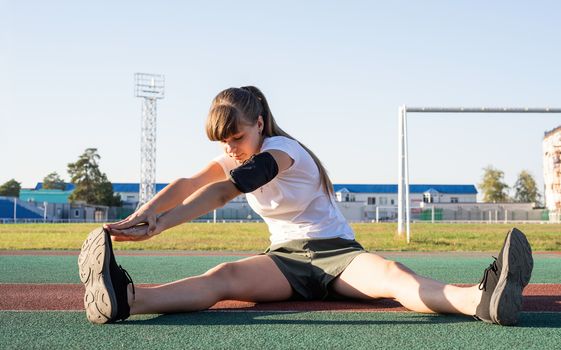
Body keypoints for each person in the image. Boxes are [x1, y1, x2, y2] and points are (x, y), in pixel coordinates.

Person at [78, 86, 533, 326]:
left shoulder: (283, 150)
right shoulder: (237, 152)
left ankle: (480, 299)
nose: (232, 148)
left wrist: (159, 226)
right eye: (224, 142)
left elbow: (224, 191)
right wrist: (146, 216)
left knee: (394, 277)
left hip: (339, 253)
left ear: (259, 123)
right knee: (222, 278)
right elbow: (188, 182)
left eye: (237, 137)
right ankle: (126, 299)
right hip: (285, 261)